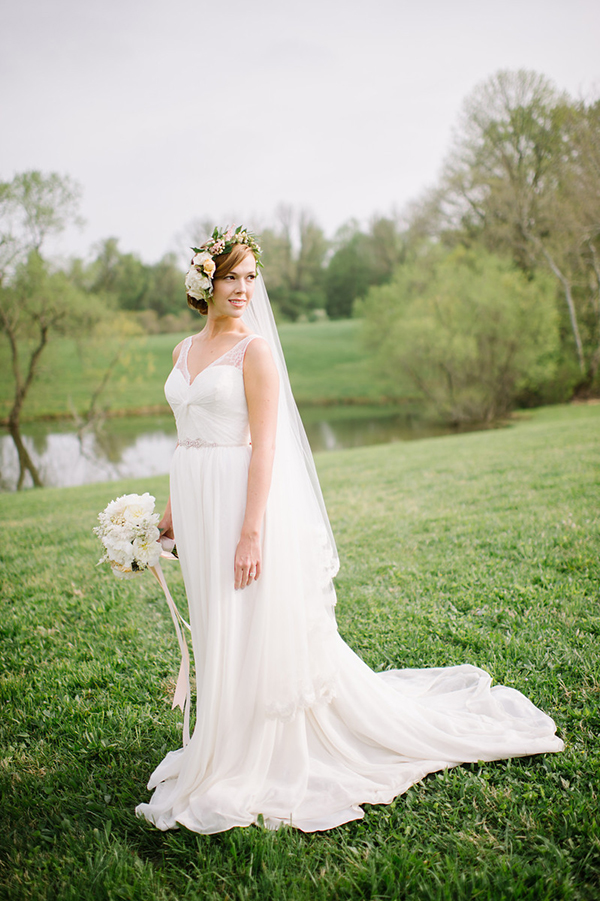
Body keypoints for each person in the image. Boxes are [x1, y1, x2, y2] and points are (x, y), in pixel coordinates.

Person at [135, 225, 563, 834]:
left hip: (239, 503)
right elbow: (187, 438)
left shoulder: (253, 352)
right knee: (216, 622)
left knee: (250, 619)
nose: (243, 288)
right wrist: (170, 516)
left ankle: (258, 749)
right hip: (197, 503)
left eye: (251, 277)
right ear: (205, 280)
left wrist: (251, 532)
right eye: (231, 275)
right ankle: (223, 733)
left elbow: (266, 449)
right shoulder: (182, 352)